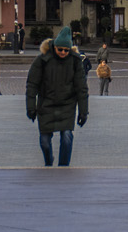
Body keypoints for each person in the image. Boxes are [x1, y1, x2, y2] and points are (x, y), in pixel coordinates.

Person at [26, 28, 90, 166]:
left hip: (67, 105)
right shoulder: (42, 60)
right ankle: (49, 162)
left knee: (67, 137)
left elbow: (81, 88)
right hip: (46, 105)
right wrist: (31, 107)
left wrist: (84, 112)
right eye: (60, 49)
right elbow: (32, 85)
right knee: (44, 142)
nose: (63, 52)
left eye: (66, 50)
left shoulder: (75, 61)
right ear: (54, 47)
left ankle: (63, 168)